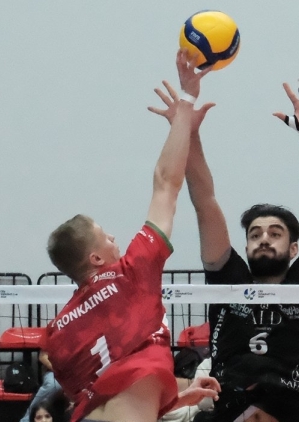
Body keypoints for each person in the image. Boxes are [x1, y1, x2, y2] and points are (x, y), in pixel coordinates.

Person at [45, 49, 220, 422]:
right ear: (96, 258)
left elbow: (102, 396)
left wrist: (172, 399)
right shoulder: (131, 272)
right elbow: (166, 184)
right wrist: (186, 102)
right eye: (106, 237)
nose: (114, 239)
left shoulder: (58, 331)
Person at [167, 78, 299, 422]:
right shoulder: (227, 277)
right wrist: (189, 133)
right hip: (228, 409)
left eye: (275, 233)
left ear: (294, 247)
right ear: (246, 245)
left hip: (285, 411)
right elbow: (205, 202)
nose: (264, 238)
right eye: (255, 234)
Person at [20, 350, 63, 422]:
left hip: (76, 376)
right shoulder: (52, 341)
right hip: (54, 372)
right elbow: (43, 357)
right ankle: (27, 419)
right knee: (54, 385)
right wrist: (60, 371)